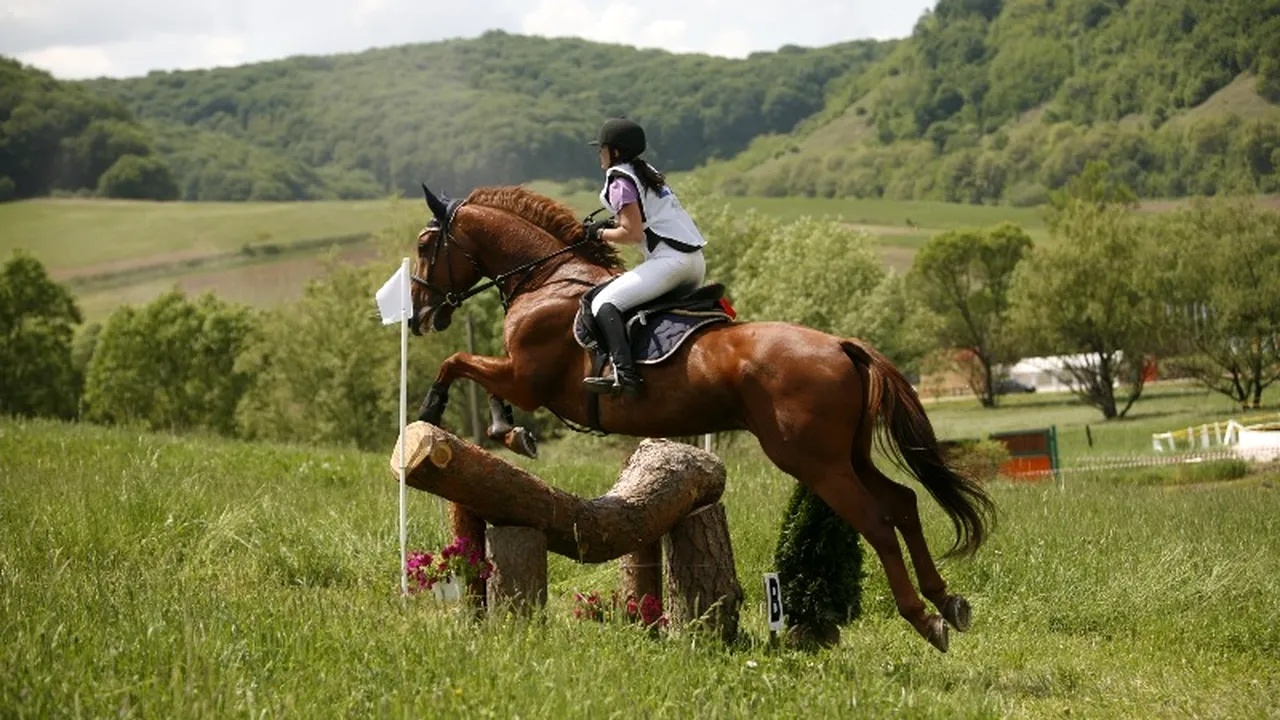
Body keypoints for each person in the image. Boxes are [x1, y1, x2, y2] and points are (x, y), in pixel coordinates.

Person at [582, 117, 708, 398]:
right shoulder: (644, 171)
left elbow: (632, 233)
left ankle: (624, 374)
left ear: (614, 152)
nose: (599, 154)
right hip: (694, 262)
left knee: (604, 303)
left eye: (601, 148)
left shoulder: (619, 179)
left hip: (671, 261)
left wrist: (598, 235)